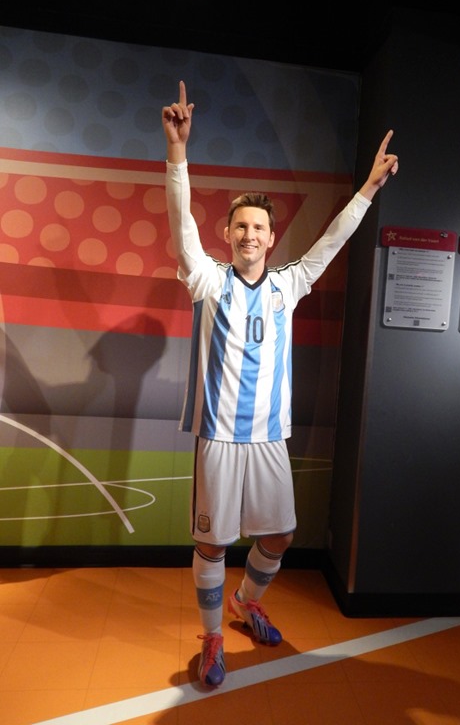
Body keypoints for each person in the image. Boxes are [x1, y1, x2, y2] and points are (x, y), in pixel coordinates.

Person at [162, 80, 398, 687]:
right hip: (219, 436)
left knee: (283, 534)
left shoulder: (288, 284)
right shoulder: (206, 280)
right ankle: (213, 639)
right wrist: (178, 151)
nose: (249, 234)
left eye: (259, 227)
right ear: (228, 235)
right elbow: (181, 223)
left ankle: (247, 601)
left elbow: (333, 240)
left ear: (271, 237)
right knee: (213, 545)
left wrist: (369, 189)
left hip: (269, 435)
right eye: (240, 226)